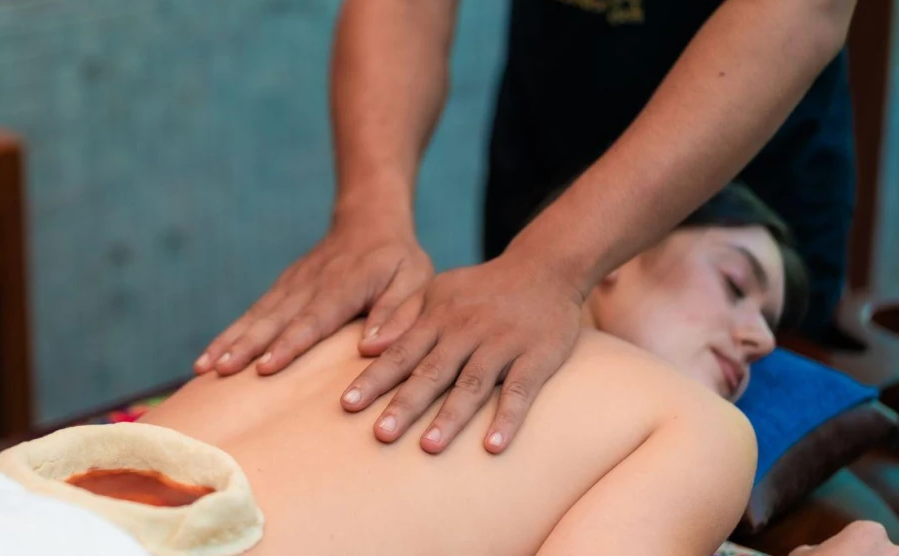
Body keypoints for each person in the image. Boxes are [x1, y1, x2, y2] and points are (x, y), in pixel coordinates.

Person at [197, 0, 871, 454]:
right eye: (733, 289)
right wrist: (369, 212)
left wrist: (553, 262)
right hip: (554, 115)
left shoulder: (698, 439)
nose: (757, 339)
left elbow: (798, 2)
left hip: (745, 148)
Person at [142, 185, 895, 554]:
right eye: (735, 284)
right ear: (618, 252)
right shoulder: (697, 426)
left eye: (770, 323)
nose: (760, 340)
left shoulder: (363, 308)